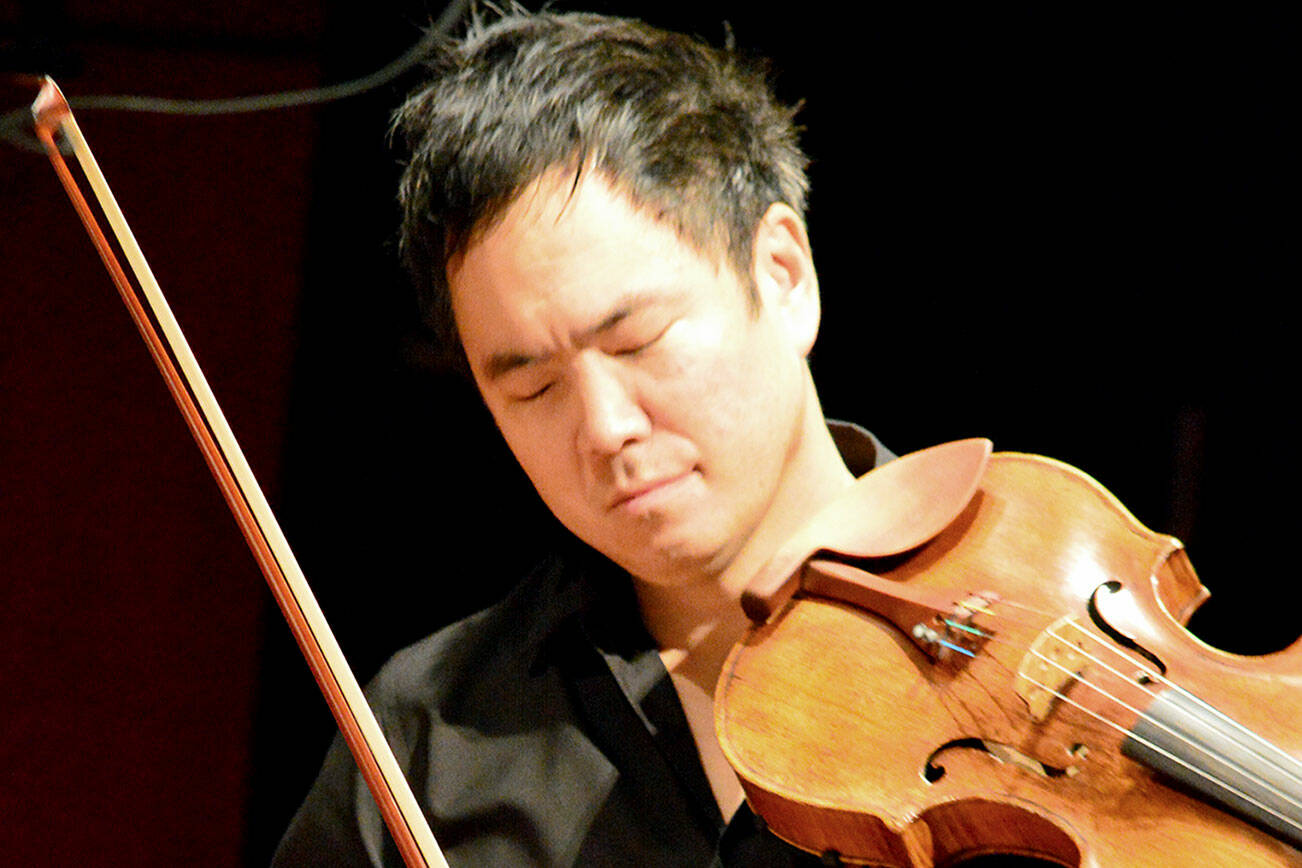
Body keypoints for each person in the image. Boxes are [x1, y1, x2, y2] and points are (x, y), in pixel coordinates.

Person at [274, 9, 894, 866]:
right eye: (533, 387)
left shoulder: (1051, 629)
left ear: (782, 276)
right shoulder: (426, 748)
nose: (604, 428)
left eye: (637, 341)